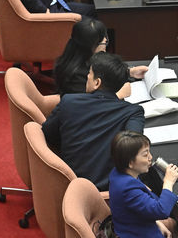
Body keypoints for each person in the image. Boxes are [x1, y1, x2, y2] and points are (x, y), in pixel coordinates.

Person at [42, 52, 146, 190]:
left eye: (89, 74)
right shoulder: (133, 112)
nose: (87, 77)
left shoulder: (69, 102)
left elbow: (48, 134)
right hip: (110, 192)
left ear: (97, 83)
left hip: (71, 186)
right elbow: (133, 150)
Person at [109, 130, 178, 238]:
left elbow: (134, 209)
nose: (150, 158)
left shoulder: (118, 174)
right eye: (145, 155)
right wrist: (168, 182)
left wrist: (156, 223)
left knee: (174, 223)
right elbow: (161, 211)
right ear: (130, 162)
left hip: (133, 225)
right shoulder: (128, 189)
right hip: (136, 234)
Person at [54, 18, 148, 95]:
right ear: (89, 46)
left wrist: (129, 72)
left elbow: (106, 73)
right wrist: (119, 95)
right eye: (101, 40)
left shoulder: (88, 59)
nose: (105, 41)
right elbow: (87, 107)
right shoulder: (74, 77)